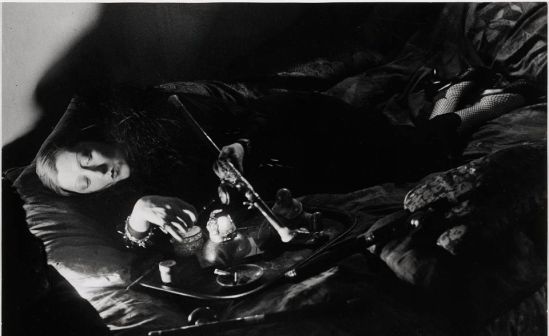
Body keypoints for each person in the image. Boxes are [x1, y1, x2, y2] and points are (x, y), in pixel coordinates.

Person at [35, 75, 534, 248]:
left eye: (87, 158)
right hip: (288, 177)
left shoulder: (163, 112)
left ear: (91, 139)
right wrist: (140, 218)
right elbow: (134, 244)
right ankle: (448, 100)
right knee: (405, 158)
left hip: (296, 127)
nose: (98, 172)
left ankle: (472, 107)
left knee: (410, 159)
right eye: (86, 183)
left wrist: (242, 146)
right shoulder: (129, 200)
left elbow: (266, 108)